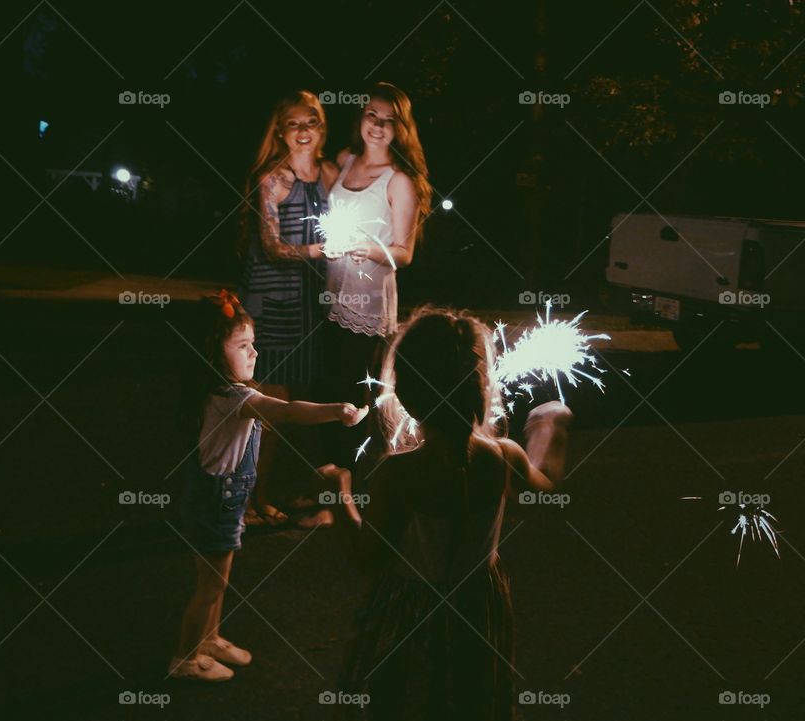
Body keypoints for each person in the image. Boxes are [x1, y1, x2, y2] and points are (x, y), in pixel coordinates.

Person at [323, 306, 573, 719]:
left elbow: (369, 558)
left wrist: (337, 495)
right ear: (480, 385)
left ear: (403, 391)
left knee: (408, 702)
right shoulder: (503, 456)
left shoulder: (400, 473)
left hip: (409, 613)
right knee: (470, 698)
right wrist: (551, 428)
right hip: (478, 603)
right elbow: (546, 482)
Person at [170, 292, 367, 682]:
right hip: (216, 504)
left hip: (219, 501)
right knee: (211, 585)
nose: (254, 353)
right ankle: (185, 659)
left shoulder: (217, 390)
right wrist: (337, 412)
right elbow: (288, 411)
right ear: (212, 351)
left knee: (217, 580)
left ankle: (209, 638)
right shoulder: (233, 398)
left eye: (254, 344)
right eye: (243, 346)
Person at [239, 90, 340, 526]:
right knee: (268, 405)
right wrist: (323, 251)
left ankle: (265, 493)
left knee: (291, 405)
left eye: (312, 122)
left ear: (322, 128)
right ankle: (246, 499)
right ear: (280, 131)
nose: (304, 131)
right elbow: (272, 246)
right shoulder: (274, 178)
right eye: (295, 123)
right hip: (272, 299)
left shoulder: (330, 174)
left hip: (309, 305)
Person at [323, 82, 432, 464]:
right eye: (372, 115)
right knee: (329, 392)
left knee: (353, 398)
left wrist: (365, 247)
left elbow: (404, 253)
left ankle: (350, 491)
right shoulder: (346, 160)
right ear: (361, 118)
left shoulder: (399, 180)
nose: (379, 126)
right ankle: (330, 487)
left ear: (401, 128)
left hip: (367, 307)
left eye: (390, 120)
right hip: (332, 294)